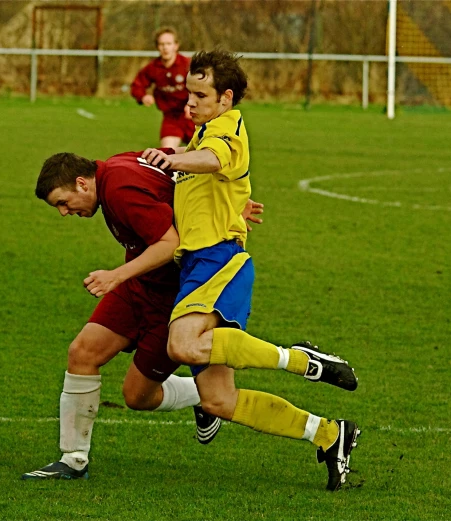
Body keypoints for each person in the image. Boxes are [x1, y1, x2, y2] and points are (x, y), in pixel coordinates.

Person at [142, 50, 360, 491]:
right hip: (198, 264)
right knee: (220, 400)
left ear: (225, 97)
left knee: (183, 345)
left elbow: (216, 161)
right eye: (189, 93)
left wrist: (174, 159)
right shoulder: (204, 130)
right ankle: (330, 434)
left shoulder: (228, 128)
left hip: (219, 260)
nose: (191, 102)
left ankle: (304, 361)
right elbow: (214, 182)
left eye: (200, 94)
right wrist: (233, 201)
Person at [22, 150, 263, 481]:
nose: (64, 212)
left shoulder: (120, 190)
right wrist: (228, 207)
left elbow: (169, 243)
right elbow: (180, 168)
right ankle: (73, 459)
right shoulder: (119, 164)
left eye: (63, 203)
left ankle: (201, 395)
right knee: (82, 352)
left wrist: (116, 275)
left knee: (137, 396)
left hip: (174, 298)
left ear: (81, 183)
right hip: (141, 285)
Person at [130, 28, 195, 148]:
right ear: (157, 47)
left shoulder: (187, 65)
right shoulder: (153, 68)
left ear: (176, 46)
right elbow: (137, 85)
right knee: (166, 153)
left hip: (195, 116)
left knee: (206, 154)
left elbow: (203, 87)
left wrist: (193, 103)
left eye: (169, 44)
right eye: (161, 44)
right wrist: (143, 96)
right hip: (171, 119)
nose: (165, 48)